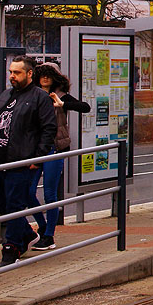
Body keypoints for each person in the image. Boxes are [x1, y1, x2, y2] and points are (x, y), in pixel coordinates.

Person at [0, 56, 57, 267]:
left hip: (21, 160)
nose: (12, 77)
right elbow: (2, 122)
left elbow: (48, 128)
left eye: (16, 73)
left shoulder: (39, 98)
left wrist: (38, 157)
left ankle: (12, 247)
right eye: (10, 72)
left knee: (15, 203)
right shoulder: (6, 95)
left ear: (29, 73)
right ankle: (25, 233)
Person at [27, 62, 90, 251]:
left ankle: (49, 236)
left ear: (56, 77)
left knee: (50, 194)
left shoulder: (61, 95)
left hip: (54, 149)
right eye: (42, 75)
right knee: (28, 192)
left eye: (49, 75)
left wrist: (63, 104)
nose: (45, 78)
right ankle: (44, 226)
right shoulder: (32, 95)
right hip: (35, 150)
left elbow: (85, 107)